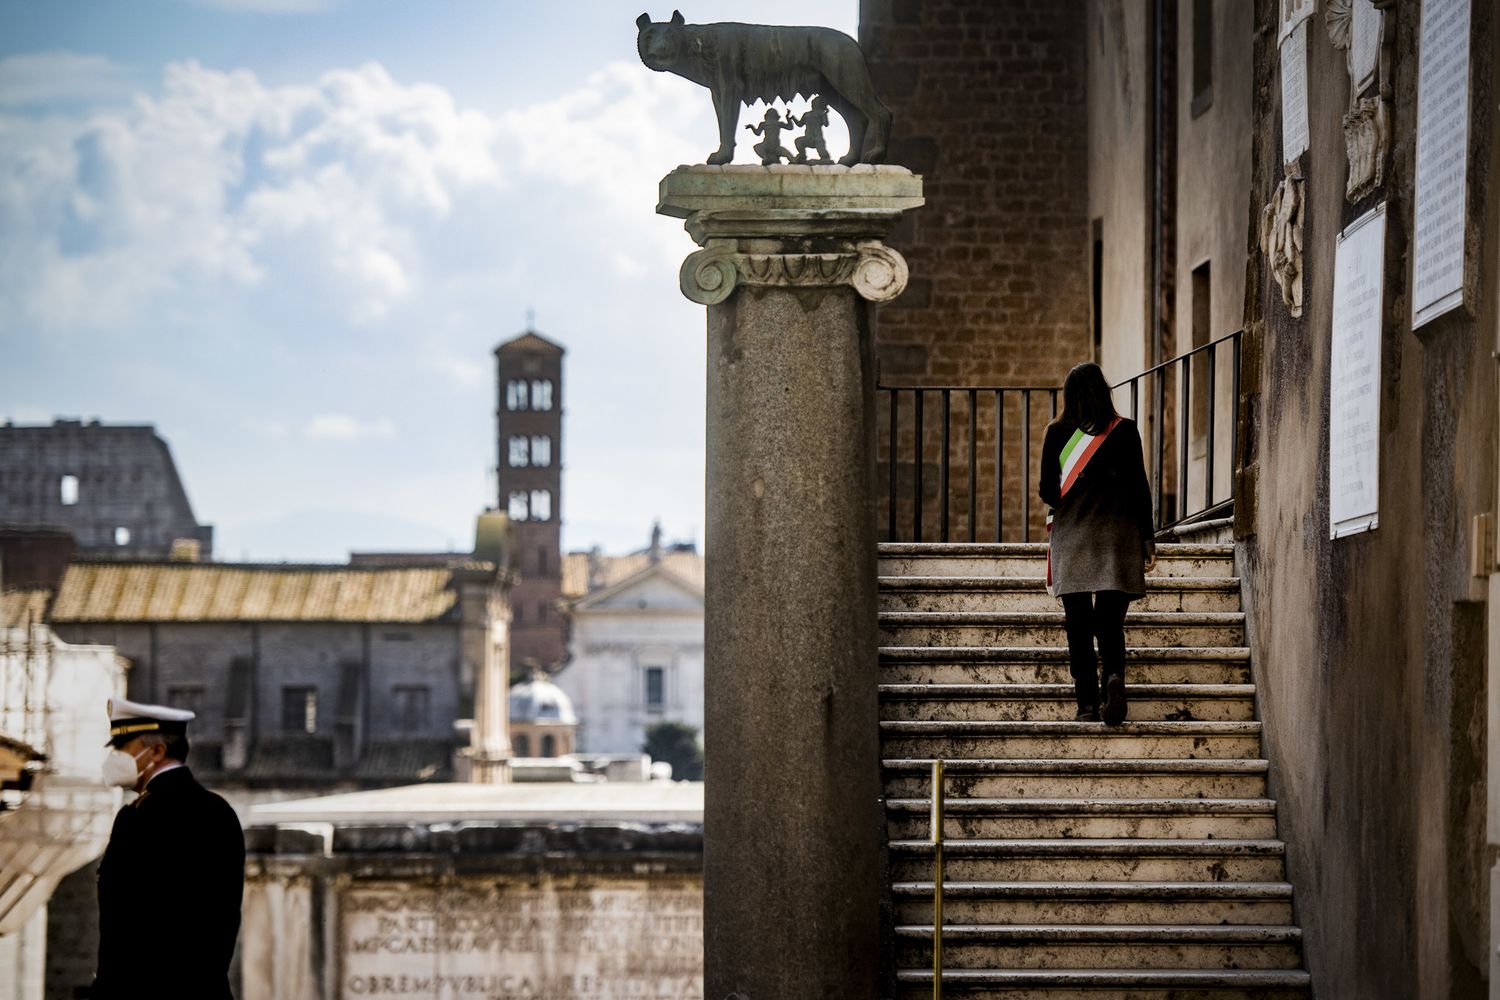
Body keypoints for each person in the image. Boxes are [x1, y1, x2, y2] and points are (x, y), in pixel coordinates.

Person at [90, 697, 245, 999]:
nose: (115, 756)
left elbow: (124, 928)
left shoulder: (138, 818)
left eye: (122, 747)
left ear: (157, 751)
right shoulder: (219, 811)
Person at [1039, 362, 1156, 725]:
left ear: (1069, 396)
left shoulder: (1057, 433)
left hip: (1073, 537)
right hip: (1118, 536)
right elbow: (1140, 488)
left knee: (1077, 624)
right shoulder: (1126, 430)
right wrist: (1147, 540)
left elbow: (1047, 491)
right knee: (1109, 621)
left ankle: (1087, 704)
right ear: (1103, 392)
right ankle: (1114, 678)